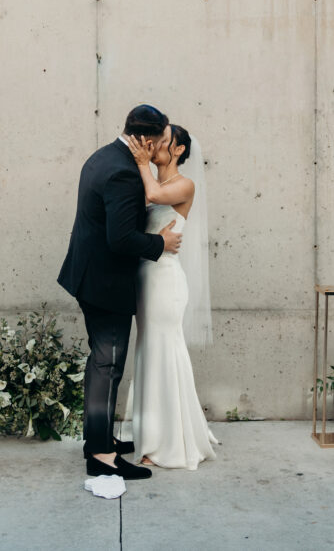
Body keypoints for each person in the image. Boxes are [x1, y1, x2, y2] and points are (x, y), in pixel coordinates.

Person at [58, 104, 182, 480]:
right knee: (107, 364)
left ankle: (99, 437)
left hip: (88, 274)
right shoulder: (123, 174)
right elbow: (121, 238)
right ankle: (100, 456)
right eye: (160, 141)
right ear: (145, 139)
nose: (161, 147)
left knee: (100, 363)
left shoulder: (103, 156)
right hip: (104, 283)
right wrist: (159, 243)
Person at [122, 124, 219, 469]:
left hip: (165, 281)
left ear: (178, 150)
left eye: (162, 142)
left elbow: (151, 196)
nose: (154, 146)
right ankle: (150, 438)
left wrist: (139, 163)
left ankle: (170, 442)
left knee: (165, 351)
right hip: (144, 280)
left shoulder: (183, 185)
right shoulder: (156, 182)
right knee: (148, 352)